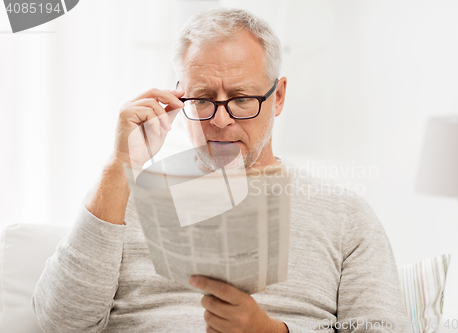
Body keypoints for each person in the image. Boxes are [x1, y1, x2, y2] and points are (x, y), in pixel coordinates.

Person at [32, 8, 411, 333]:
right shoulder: (121, 196)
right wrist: (119, 166)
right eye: (203, 99)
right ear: (178, 97)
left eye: (242, 99)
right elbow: (60, 323)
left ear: (277, 97)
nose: (222, 120)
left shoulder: (344, 215)